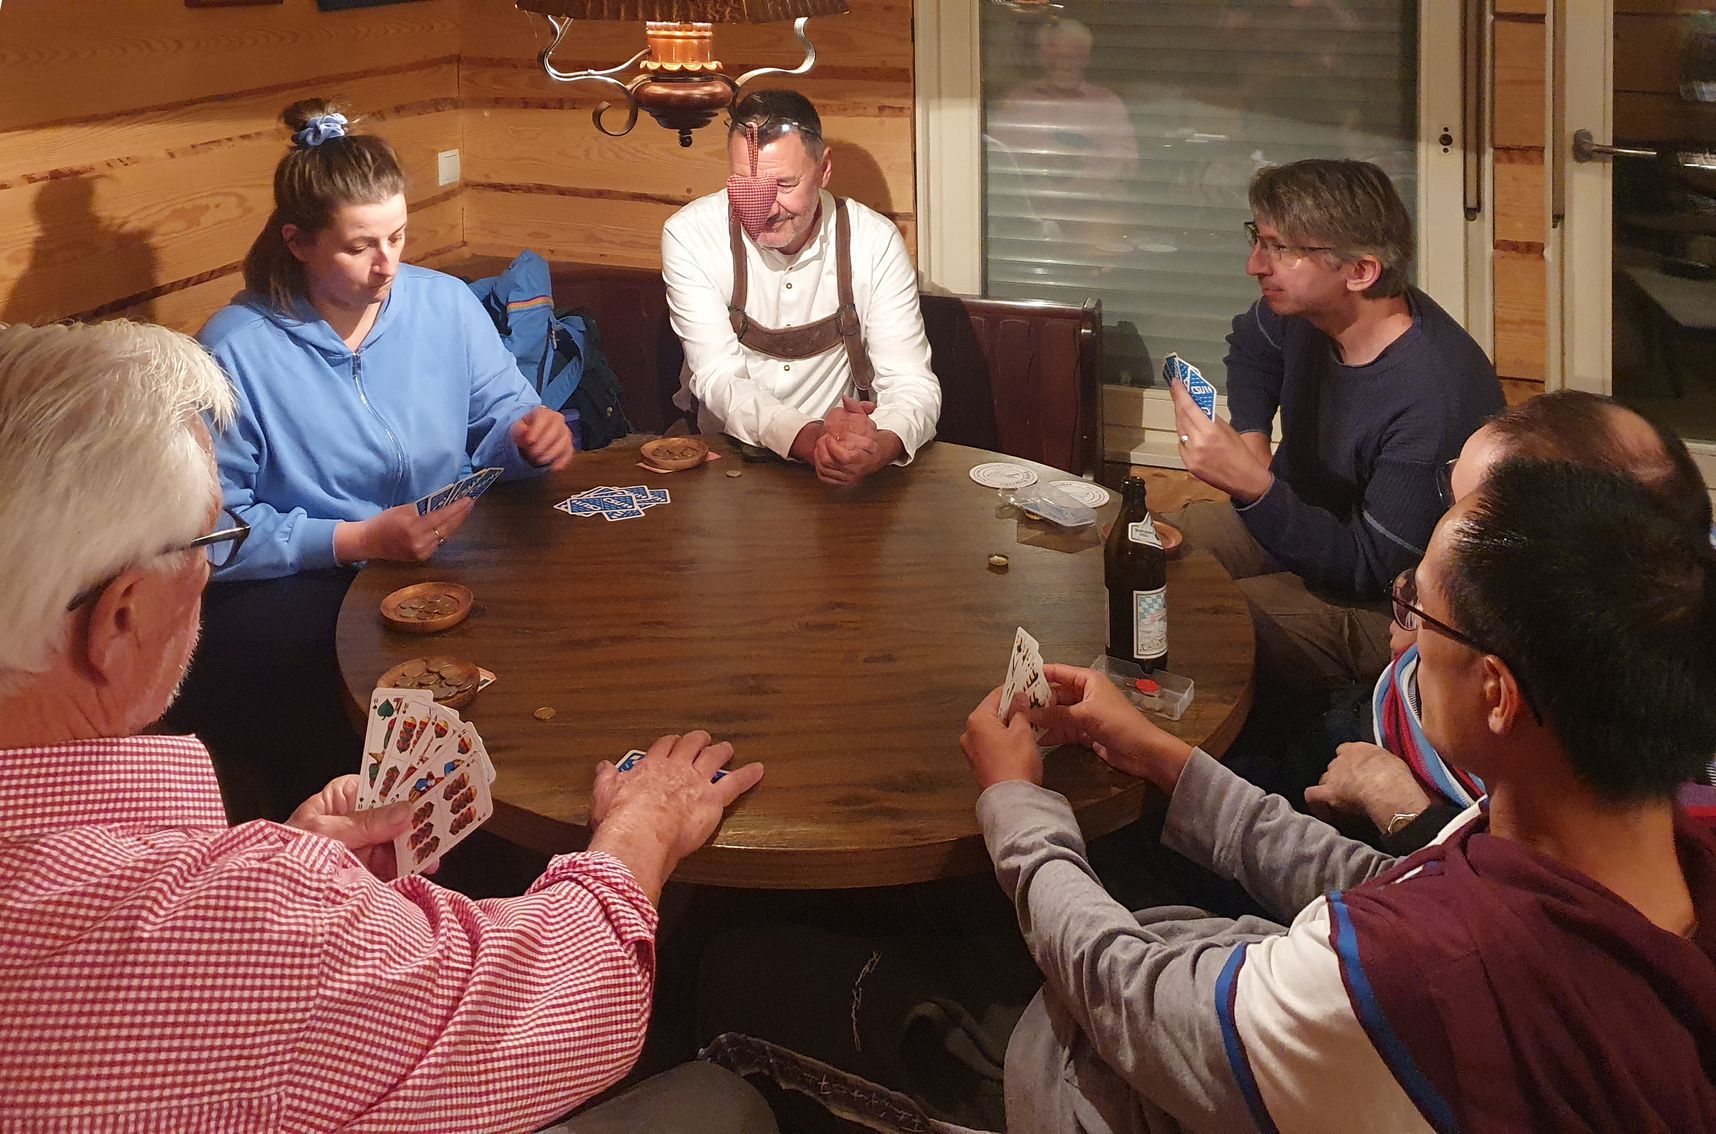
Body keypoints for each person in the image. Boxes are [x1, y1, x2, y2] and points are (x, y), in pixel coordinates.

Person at [0, 320, 774, 1133]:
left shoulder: (216, 909)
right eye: (211, 539)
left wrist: (290, 860)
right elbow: (562, 1011)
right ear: (121, 618)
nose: (208, 567)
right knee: (724, 1106)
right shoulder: (237, 924)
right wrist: (643, 829)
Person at [959, 457, 1716, 1131]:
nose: (1403, 638)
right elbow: (1387, 879)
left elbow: (1139, 1005)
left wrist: (1017, 805)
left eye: (1420, 612)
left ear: (1497, 694)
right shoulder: (1643, 851)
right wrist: (1162, 755)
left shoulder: (1411, 979)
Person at [164, 98, 574, 820]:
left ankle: (502, 819)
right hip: (306, 583)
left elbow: (506, 413)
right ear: (297, 242)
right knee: (328, 682)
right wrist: (358, 539)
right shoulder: (235, 347)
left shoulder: (445, 305)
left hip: (439, 552)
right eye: (359, 247)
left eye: (398, 236)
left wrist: (531, 438)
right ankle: (350, 844)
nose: (388, 265)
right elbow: (215, 533)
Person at [1306, 390, 1714, 852]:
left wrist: (1402, 810)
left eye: (1471, 518)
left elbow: (1533, 873)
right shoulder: (1671, 581)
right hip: (1382, 715)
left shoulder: (1629, 740)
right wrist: (1428, 617)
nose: (1444, 532)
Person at [1168, 159, 1503, 691]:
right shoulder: (1303, 311)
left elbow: (1369, 568)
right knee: (1150, 550)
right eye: (1259, 239)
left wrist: (1254, 488)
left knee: (1202, 618)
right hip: (1299, 516)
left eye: (1280, 248)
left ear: (1361, 272)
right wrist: (1253, 442)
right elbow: (1253, 348)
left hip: (1388, 605)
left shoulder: (1432, 400)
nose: (1255, 265)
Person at [663, 89, 941, 487]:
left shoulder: (874, 242)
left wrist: (878, 446)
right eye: (745, 184)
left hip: (842, 471)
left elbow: (911, 383)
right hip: (720, 456)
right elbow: (719, 377)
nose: (763, 207)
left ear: (823, 169)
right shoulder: (691, 234)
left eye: (783, 184)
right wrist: (810, 441)